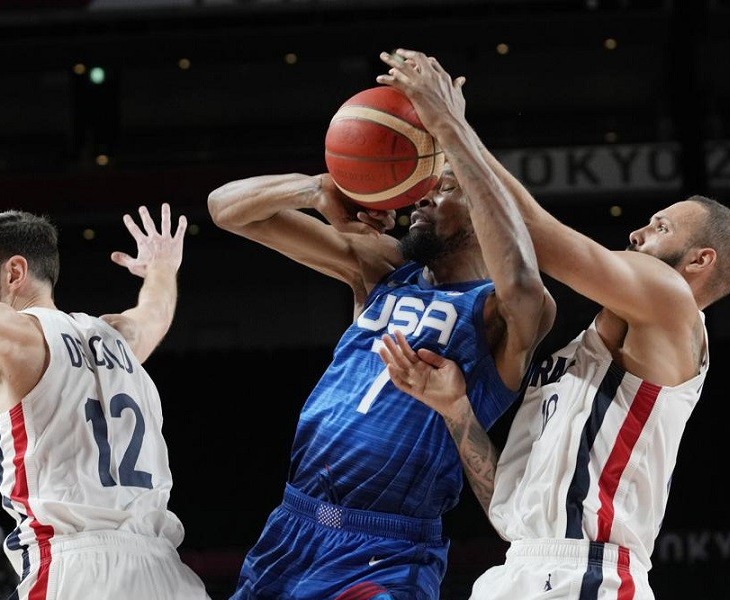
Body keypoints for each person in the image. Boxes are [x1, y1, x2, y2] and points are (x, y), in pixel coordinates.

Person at [377, 49, 730, 600]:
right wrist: (457, 411)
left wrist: (452, 126)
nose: (636, 235)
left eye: (660, 227)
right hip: (518, 571)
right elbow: (516, 513)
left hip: (590, 576)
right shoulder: (579, 354)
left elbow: (539, 239)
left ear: (700, 260)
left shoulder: (673, 303)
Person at [207, 51, 555, 599]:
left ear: (483, 211)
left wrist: (449, 125)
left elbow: (519, 273)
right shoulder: (384, 270)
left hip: (387, 549)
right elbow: (225, 209)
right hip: (292, 525)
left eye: (441, 189)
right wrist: (317, 188)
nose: (421, 197)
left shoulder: (502, 310)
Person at [0, 204, 211, 599]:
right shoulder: (118, 339)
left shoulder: (15, 332)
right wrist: (162, 269)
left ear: (14, 273)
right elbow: (154, 314)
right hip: (166, 572)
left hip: (75, 571)